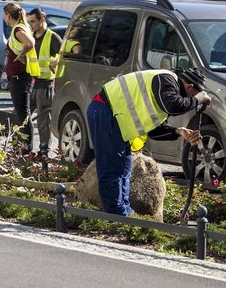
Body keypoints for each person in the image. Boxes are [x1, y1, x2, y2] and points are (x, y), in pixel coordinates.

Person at [87, 67, 211, 216]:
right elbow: (173, 105)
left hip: (114, 118)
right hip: (105, 111)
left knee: (124, 167)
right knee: (111, 168)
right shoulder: (166, 79)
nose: (191, 100)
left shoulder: (168, 92)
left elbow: (154, 130)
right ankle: (117, 215)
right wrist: (197, 100)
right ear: (189, 86)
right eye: (193, 95)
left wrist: (178, 131)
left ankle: (125, 212)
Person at [26, 8, 63, 157]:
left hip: (45, 85)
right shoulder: (30, 37)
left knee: (43, 122)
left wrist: (56, 63)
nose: (31, 25)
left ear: (42, 20)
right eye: (29, 22)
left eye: (33, 21)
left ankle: (44, 152)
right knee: (22, 118)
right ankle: (26, 148)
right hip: (30, 85)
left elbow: (63, 56)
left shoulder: (52, 37)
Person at [2, 3, 39, 147]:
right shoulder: (20, 28)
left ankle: (27, 150)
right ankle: (22, 148)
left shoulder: (18, 29)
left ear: (8, 15)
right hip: (20, 76)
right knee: (21, 114)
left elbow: (29, 43)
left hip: (20, 78)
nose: (3, 18)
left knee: (24, 115)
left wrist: (21, 55)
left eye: (4, 15)